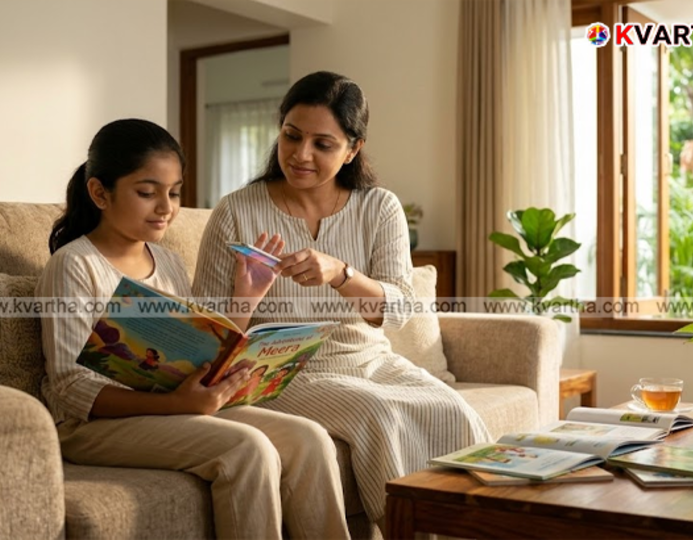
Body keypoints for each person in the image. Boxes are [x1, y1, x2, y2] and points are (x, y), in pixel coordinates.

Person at [193, 72, 490, 527]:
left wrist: (341, 274)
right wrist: (247, 296)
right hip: (280, 372)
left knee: (454, 411)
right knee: (379, 413)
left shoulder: (379, 207)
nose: (301, 154)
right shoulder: (236, 211)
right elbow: (208, 332)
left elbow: (400, 310)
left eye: (323, 144)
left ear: (353, 149)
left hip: (369, 360)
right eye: (292, 136)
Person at [37, 118, 349, 540]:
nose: (166, 207)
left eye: (174, 192)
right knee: (247, 448)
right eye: (147, 193)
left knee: (309, 437)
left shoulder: (167, 262)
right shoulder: (74, 265)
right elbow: (70, 387)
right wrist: (178, 404)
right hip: (88, 427)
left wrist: (247, 296)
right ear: (99, 193)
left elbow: (201, 351)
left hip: (172, 404)